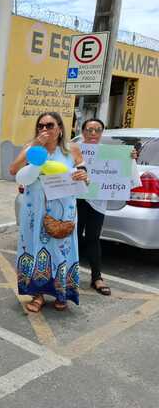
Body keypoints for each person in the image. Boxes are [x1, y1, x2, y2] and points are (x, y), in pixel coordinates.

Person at [9, 112, 88, 312]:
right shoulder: (31, 148)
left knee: (61, 250)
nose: (45, 129)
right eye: (41, 126)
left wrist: (82, 175)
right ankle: (37, 295)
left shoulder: (72, 150)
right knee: (34, 247)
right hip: (34, 208)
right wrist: (35, 144)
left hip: (63, 208)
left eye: (50, 125)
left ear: (60, 128)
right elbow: (13, 170)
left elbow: (84, 174)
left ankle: (62, 293)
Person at [76, 118, 139, 296]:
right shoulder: (73, 149)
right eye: (89, 130)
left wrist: (130, 157)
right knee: (72, 237)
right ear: (83, 131)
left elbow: (122, 170)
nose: (93, 133)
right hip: (75, 199)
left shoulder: (110, 152)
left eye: (97, 130)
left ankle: (97, 277)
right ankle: (67, 276)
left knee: (93, 237)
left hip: (98, 200)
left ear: (102, 132)